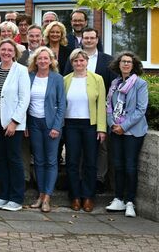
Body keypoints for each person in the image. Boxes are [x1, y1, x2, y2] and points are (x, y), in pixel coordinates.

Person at [0, 39, 30, 212]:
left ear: (14, 53)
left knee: (14, 158)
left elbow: (24, 98)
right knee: (0, 158)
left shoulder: (21, 70)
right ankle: (3, 195)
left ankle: (16, 198)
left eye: (9, 50)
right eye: (3, 49)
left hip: (12, 120)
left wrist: (15, 121)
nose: (6, 52)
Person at [105, 52, 148, 218]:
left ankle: (130, 201)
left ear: (134, 65)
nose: (126, 64)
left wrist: (123, 126)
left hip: (132, 132)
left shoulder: (140, 84)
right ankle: (118, 198)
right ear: (118, 64)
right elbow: (109, 107)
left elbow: (140, 110)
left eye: (129, 62)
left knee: (130, 166)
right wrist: (113, 125)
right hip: (116, 130)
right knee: (118, 165)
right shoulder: (115, 84)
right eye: (123, 61)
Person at [64, 49, 107, 213]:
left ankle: (88, 196)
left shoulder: (97, 79)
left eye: (82, 60)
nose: (79, 63)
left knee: (90, 162)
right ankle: (75, 196)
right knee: (72, 161)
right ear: (72, 63)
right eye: (75, 61)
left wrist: (102, 128)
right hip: (70, 125)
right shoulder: (65, 80)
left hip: (91, 125)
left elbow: (101, 106)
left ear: (87, 62)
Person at [26, 47, 65, 213]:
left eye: (45, 58)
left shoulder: (57, 78)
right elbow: (25, 101)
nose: (42, 61)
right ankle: (40, 195)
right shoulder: (30, 77)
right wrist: (26, 124)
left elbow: (62, 104)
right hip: (34, 123)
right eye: (39, 58)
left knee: (51, 161)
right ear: (35, 61)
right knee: (39, 161)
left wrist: (57, 126)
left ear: (51, 61)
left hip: (51, 125)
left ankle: (48, 196)